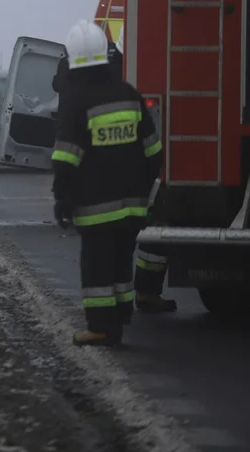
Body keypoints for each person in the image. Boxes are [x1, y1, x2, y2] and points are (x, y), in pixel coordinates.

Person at [51, 20, 162, 346]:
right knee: (120, 263)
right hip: (132, 205)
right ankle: (121, 316)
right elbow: (153, 151)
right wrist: (144, 190)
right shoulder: (128, 94)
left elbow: (66, 158)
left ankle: (101, 327)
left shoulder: (77, 102)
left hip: (96, 207)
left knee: (97, 268)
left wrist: (62, 198)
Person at [110, 24, 176, 313]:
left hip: (116, 172)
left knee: (125, 236)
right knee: (154, 226)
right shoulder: (134, 77)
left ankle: (122, 301)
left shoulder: (104, 77)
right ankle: (143, 294)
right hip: (136, 169)